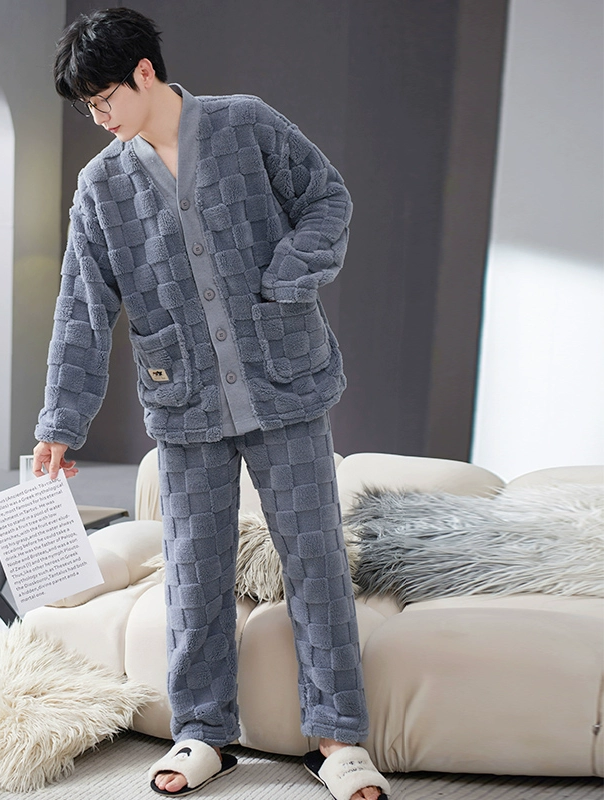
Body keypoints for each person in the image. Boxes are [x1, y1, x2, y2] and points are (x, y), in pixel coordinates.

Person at [33, 8, 390, 800]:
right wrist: (60, 421)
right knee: (194, 572)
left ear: (145, 72)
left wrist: (285, 282)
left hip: (285, 384)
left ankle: (338, 739)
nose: (99, 119)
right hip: (186, 401)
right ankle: (203, 733)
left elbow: (326, 199)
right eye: (88, 108)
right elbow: (82, 308)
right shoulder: (102, 187)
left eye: (104, 99)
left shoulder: (246, 125)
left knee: (316, 560)